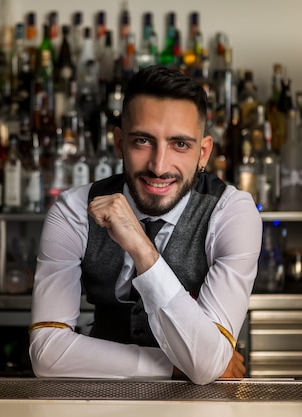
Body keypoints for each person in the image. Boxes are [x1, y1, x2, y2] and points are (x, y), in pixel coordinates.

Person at [29, 65, 262, 385]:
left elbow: (207, 365)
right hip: (96, 401)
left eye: (180, 144)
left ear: (203, 152)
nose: (159, 166)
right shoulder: (73, 211)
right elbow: (47, 354)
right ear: (119, 142)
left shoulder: (231, 213)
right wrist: (174, 367)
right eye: (142, 141)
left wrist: (141, 246)